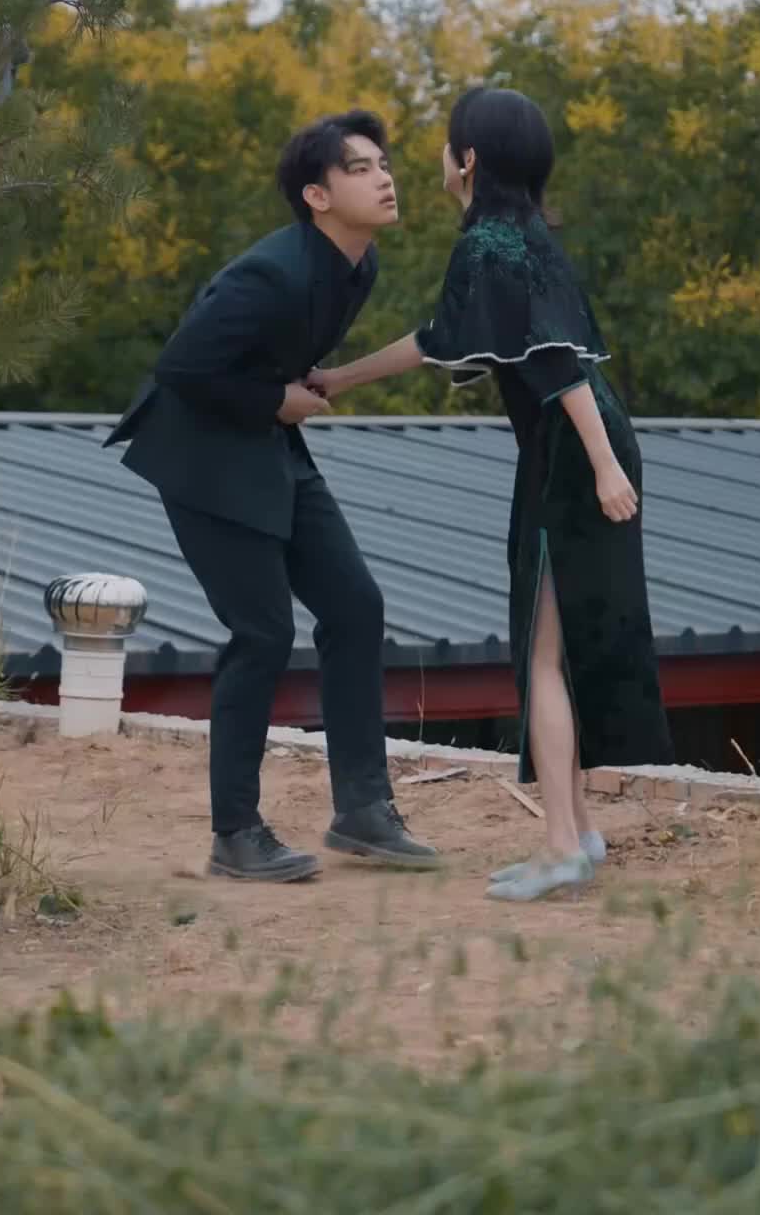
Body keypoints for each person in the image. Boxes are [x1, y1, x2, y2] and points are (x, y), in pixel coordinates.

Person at [310, 86, 674, 902]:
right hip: (581, 443)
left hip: (571, 450)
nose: (437, 159)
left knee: (541, 654)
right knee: (561, 647)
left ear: (468, 159)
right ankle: (578, 832)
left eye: (446, 145)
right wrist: (339, 378)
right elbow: (439, 341)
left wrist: (601, 465)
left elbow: (553, 358)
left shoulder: (489, 244)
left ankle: (561, 848)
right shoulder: (516, 236)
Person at [104, 110, 437, 882]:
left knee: (355, 605)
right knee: (261, 631)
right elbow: (182, 367)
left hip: (266, 441)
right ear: (317, 196)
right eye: (360, 168)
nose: (384, 178)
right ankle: (236, 834)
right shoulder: (271, 274)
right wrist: (273, 399)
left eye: (384, 164)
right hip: (201, 455)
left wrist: (289, 390)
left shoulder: (360, 264)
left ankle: (362, 809)